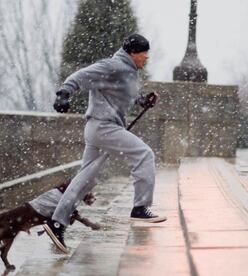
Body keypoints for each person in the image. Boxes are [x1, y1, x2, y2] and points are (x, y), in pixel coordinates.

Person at [43, 34, 167, 253]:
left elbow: (126, 94)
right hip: (104, 127)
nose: (147, 57)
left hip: (100, 128)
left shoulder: (128, 71)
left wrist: (142, 100)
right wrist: (64, 93)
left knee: (86, 179)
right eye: (144, 52)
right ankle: (140, 208)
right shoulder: (113, 66)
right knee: (144, 154)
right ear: (132, 53)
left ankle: (57, 222)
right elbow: (81, 75)